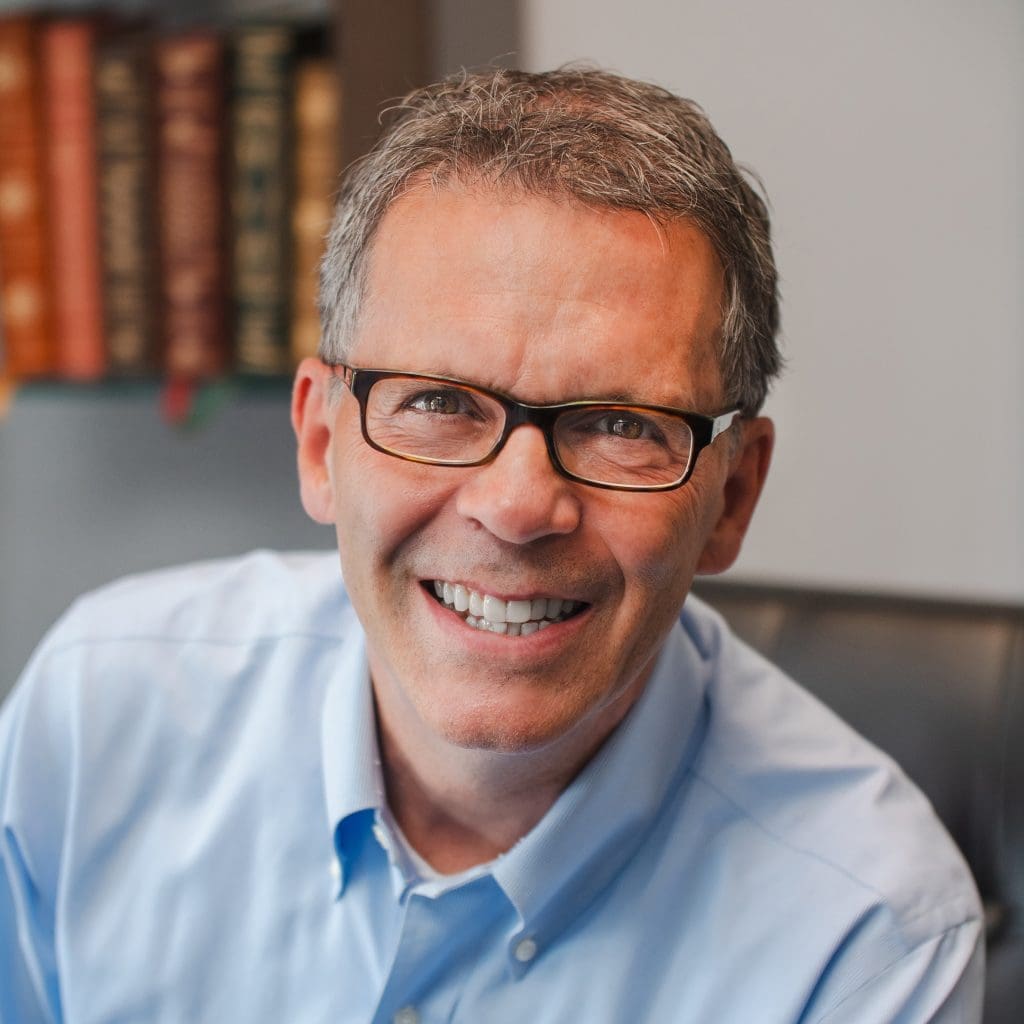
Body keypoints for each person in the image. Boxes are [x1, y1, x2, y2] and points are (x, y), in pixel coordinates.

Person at [0, 68, 982, 1022]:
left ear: (732, 494)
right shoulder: (95, 722)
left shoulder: (867, 938)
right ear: (318, 444)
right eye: (437, 401)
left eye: (621, 422)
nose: (517, 507)